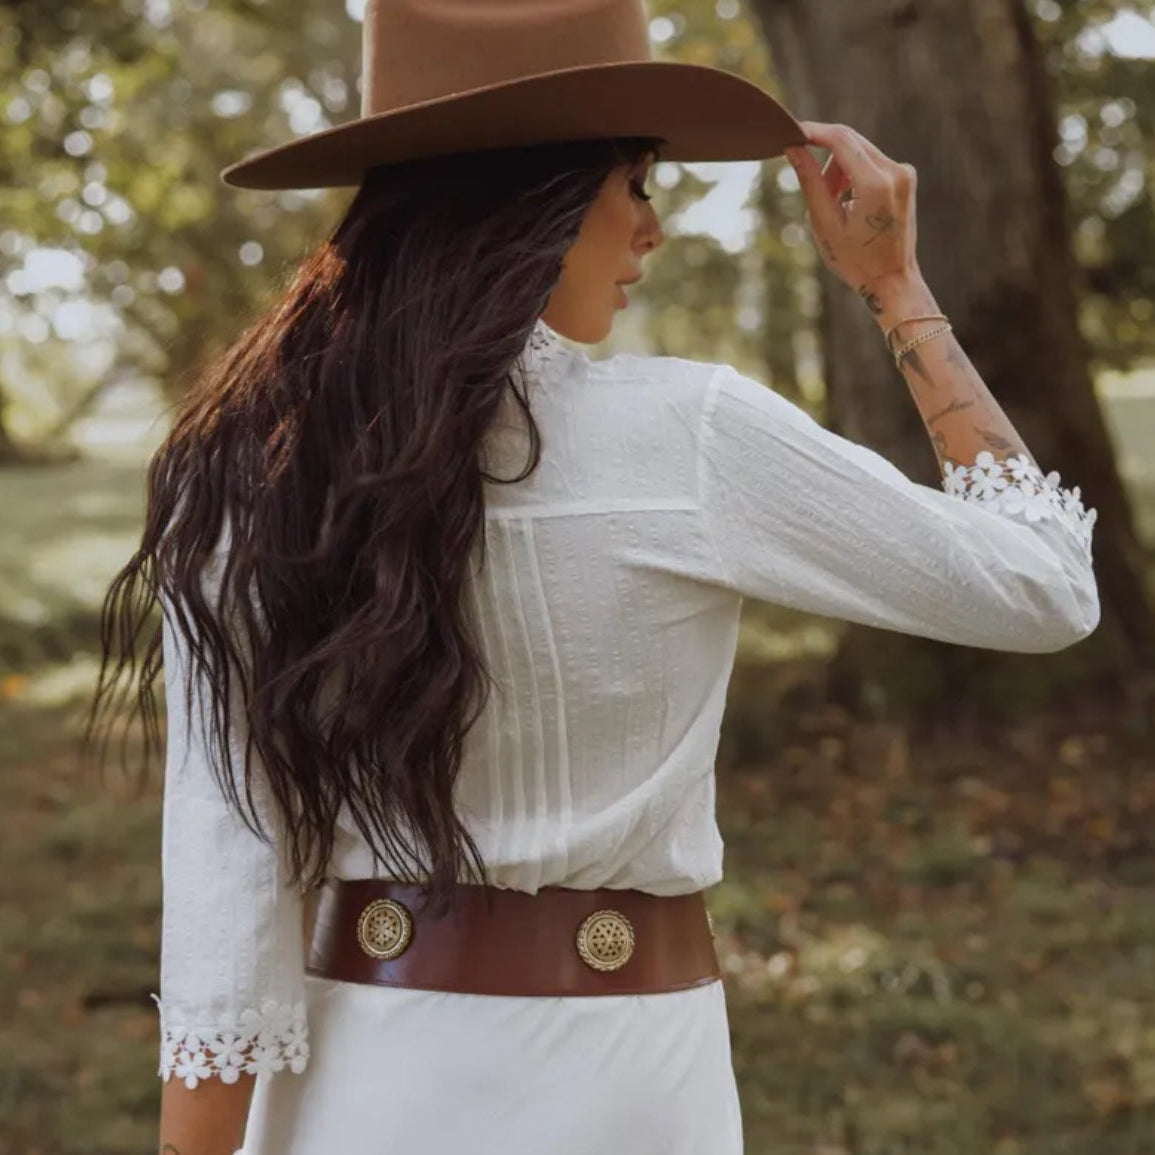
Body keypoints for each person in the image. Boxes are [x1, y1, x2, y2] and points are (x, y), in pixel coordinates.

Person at [85, 2, 1099, 1153]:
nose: (653, 231)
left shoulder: (247, 470)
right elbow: (1046, 585)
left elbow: (228, 891)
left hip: (353, 1089)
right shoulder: (687, 434)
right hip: (625, 1088)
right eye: (639, 183)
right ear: (544, 198)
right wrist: (895, 287)